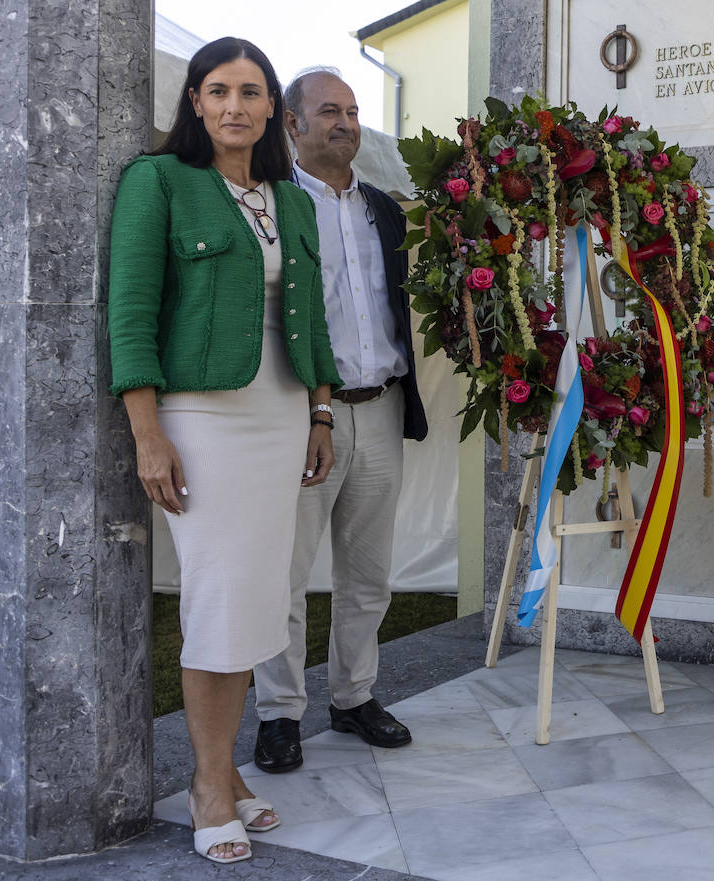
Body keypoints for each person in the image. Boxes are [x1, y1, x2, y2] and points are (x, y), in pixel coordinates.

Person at [108, 38, 342, 864]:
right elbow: (131, 310)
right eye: (218, 91)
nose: (234, 106)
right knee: (218, 599)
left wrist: (320, 414)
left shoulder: (292, 199)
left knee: (257, 602)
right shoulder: (159, 181)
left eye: (250, 91)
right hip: (202, 421)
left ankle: (229, 768)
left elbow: (310, 323)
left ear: (272, 107)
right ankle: (209, 783)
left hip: (283, 417)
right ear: (196, 103)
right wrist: (148, 433)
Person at [251, 67, 428, 773]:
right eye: (330, 111)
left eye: (353, 112)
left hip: (380, 406)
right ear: (290, 124)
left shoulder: (385, 209)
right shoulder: (270, 206)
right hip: (301, 415)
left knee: (369, 573)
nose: (346, 123)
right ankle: (279, 713)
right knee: (286, 574)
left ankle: (354, 696)